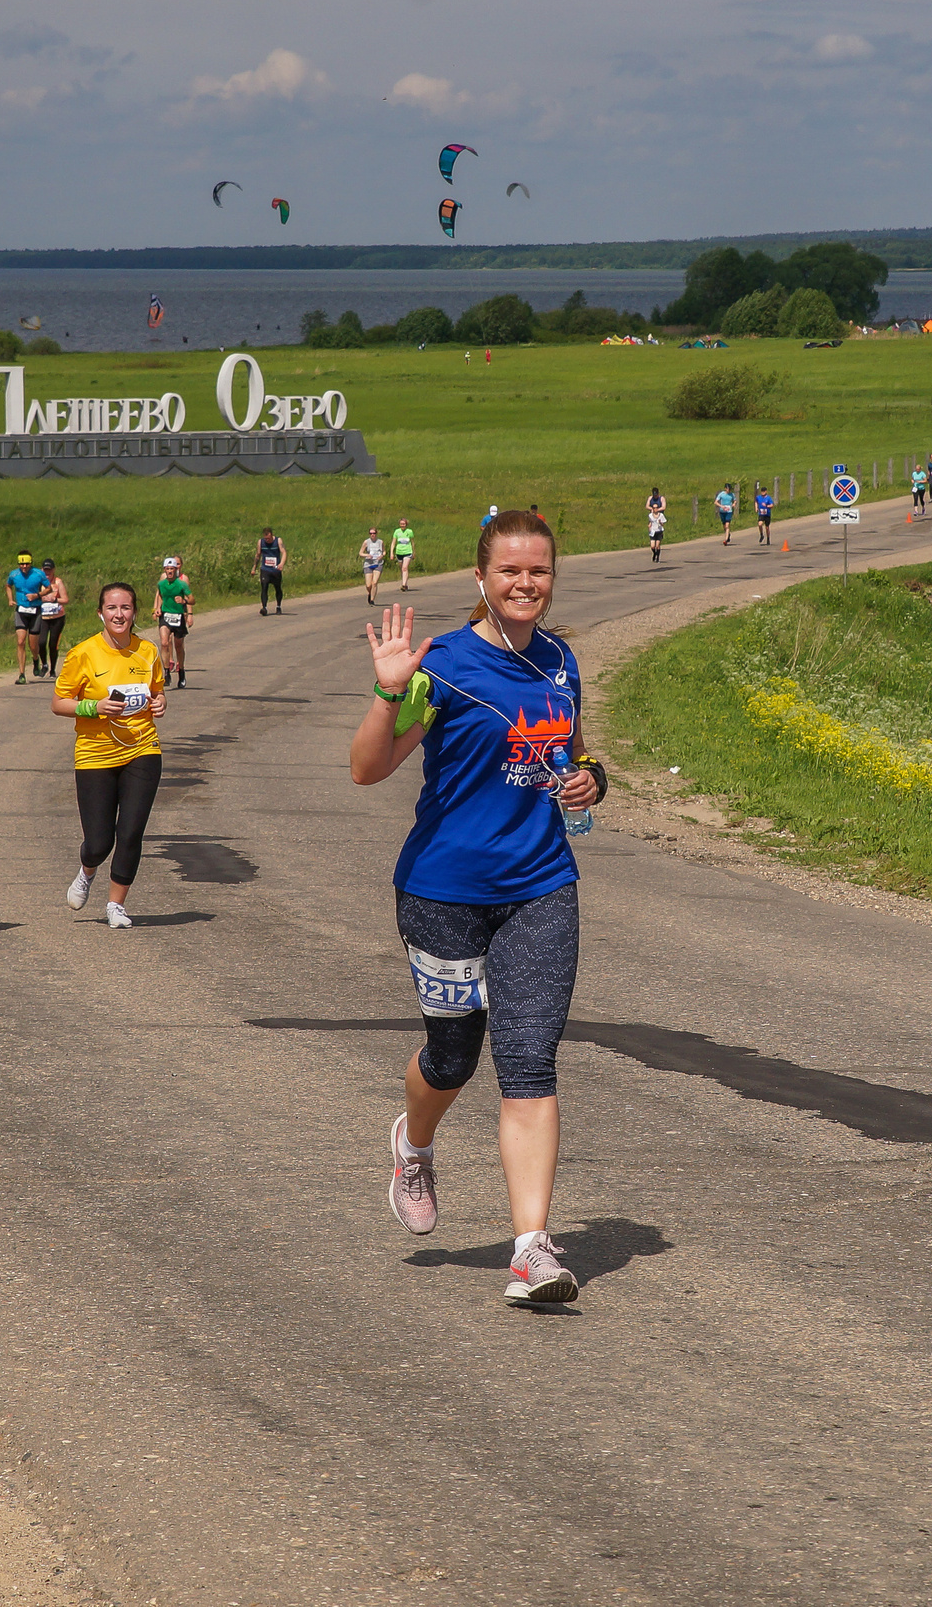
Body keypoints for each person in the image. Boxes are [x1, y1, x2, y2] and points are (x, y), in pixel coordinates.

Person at [348, 509, 603, 1307]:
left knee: (528, 1060)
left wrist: (592, 778)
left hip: (542, 887)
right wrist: (390, 694)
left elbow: (574, 749)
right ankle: (414, 1141)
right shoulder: (444, 665)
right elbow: (367, 768)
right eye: (510, 572)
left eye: (539, 571)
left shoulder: (560, 661)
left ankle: (531, 1248)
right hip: (443, 892)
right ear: (482, 580)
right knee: (454, 1055)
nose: (526, 583)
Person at [53, 582, 168, 930]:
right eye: (112, 608)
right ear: (101, 613)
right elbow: (59, 704)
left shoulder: (147, 651)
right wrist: (95, 706)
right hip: (95, 755)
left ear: (135, 612)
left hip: (142, 749)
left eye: (126, 608)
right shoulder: (84, 653)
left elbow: (157, 694)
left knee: (131, 831)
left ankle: (116, 905)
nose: (120, 614)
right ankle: (88, 870)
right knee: (100, 842)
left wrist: (161, 703)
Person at [7, 550, 50, 685]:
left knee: (33, 644)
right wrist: (10, 599)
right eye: (21, 564)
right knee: (20, 641)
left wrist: (37, 595)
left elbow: (49, 588)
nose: (24, 567)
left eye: (26, 564)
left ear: (30, 563)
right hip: (20, 610)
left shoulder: (38, 574)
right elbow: (8, 585)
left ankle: (36, 659)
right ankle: (21, 674)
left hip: (35, 611)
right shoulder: (14, 574)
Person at [154, 556, 194, 686]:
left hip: (178, 616)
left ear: (176, 569)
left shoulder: (182, 584)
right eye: (168, 569)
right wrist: (157, 609)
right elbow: (160, 595)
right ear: (164, 570)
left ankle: (181, 672)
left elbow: (192, 599)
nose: (170, 571)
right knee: (164, 643)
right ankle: (166, 673)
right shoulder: (161, 584)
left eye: (172, 569)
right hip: (165, 615)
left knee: (178, 645)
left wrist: (185, 602)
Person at [34, 557, 68, 676]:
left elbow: (65, 599)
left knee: (53, 644)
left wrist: (55, 599)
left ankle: (53, 669)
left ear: (53, 570)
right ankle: (44, 664)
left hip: (57, 618)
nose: (47, 573)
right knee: (41, 642)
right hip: (43, 617)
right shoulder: (38, 583)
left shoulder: (58, 582)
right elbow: (33, 597)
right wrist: (40, 598)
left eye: (49, 570)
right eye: (45, 570)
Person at [256, 526, 288, 615]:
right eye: (266, 538)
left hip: (275, 570)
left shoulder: (278, 541)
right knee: (264, 587)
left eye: (269, 538)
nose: (267, 540)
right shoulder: (260, 542)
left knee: (277, 588)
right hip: (265, 569)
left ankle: (278, 606)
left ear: (272, 535)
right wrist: (254, 567)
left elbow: (284, 552)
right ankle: (264, 608)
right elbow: (258, 555)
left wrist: (281, 564)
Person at [361, 526, 387, 605]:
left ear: (376, 533)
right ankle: (370, 593)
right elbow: (360, 553)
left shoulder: (380, 542)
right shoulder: (366, 542)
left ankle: (372, 600)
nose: (372, 535)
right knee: (368, 585)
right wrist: (367, 555)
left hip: (378, 563)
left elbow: (384, 551)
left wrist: (382, 556)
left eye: (374, 533)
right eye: (371, 533)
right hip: (368, 564)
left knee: (374, 582)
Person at [393, 518, 416, 591]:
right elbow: (393, 542)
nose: (402, 525)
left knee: (404, 568)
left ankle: (403, 584)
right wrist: (391, 552)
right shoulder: (397, 531)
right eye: (401, 524)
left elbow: (412, 542)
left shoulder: (409, 531)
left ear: (406, 524)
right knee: (402, 568)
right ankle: (405, 583)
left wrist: (413, 552)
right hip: (399, 552)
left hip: (408, 552)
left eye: (404, 524)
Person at [646, 488, 667, 562]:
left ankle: (657, 557)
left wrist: (657, 510)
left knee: (657, 545)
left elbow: (664, 507)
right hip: (652, 518)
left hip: (659, 519)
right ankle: (654, 553)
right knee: (652, 546)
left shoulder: (661, 498)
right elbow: (647, 506)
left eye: (656, 494)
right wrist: (652, 509)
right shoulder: (650, 498)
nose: (655, 496)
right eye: (654, 494)